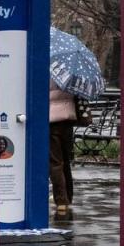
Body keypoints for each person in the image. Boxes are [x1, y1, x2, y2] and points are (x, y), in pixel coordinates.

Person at [48, 84, 78, 220]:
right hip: (68, 119)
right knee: (65, 160)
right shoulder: (71, 72)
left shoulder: (50, 71)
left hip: (52, 119)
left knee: (55, 162)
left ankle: (61, 200)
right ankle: (68, 197)